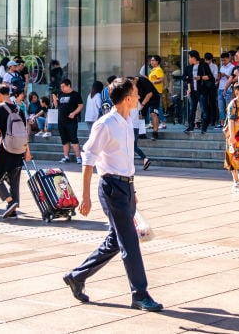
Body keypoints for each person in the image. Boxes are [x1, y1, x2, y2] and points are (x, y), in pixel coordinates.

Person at [62, 79, 163, 311]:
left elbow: (126, 159)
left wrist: (132, 189)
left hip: (126, 187)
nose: (139, 97)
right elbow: (88, 159)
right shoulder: (105, 124)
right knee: (130, 242)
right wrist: (85, 197)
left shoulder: (128, 122)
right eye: (137, 94)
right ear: (127, 98)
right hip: (110, 188)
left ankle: (77, 277)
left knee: (116, 241)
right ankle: (140, 293)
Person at [0, 84, 32, 218]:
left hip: (5, 149)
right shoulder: (19, 109)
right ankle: (13, 210)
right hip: (19, 149)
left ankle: (10, 201)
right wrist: (27, 151)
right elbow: (24, 132)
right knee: (14, 180)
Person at [57, 78, 84, 163]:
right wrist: (55, 100)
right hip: (61, 121)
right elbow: (57, 106)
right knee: (64, 140)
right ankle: (66, 156)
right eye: (61, 87)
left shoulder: (75, 95)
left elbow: (80, 105)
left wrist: (74, 113)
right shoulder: (60, 94)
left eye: (63, 86)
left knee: (73, 139)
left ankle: (78, 157)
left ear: (68, 85)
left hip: (71, 121)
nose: (62, 88)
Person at [132, 74, 155, 170]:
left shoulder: (127, 102)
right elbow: (139, 114)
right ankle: (144, 159)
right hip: (136, 126)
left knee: (131, 147)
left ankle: (145, 159)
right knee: (133, 146)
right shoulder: (137, 102)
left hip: (130, 127)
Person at [147, 55, 166, 139]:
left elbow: (162, 79)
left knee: (157, 108)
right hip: (152, 91)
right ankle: (152, 122)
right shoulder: (153, 70)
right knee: (153, 108)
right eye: (151, 60)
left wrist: (153, 82)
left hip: (157, 91)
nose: (151, 62)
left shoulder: (158, 69)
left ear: (157, 61)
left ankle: (162, 122)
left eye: (153, 60)